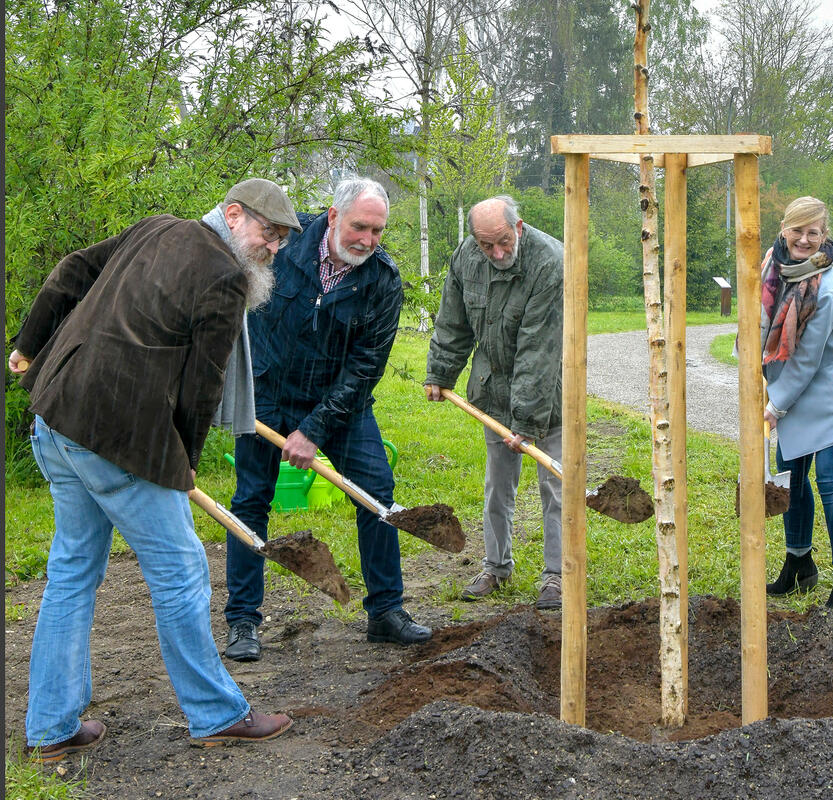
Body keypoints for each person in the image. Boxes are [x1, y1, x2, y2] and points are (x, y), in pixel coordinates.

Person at [9, 178, 301, 761]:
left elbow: (70, 270)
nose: (272, 249)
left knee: (72, 570)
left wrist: (29, 344)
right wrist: (184, 466)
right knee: (182, 570)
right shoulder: (224, 276)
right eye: (268, 235)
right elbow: (203, 388)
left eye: (282, 241)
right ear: (234, 214)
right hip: (116, 436)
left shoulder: (156, 226)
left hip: (57, 415)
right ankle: (217, 713)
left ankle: (51, 727)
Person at [223, 177, 431, 662]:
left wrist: (314, 429)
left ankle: (386, 612)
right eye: (360, 226)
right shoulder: (283, 248)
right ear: (334, 217)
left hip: (340, 404)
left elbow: (365, 367)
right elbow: (235, 314)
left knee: (377, 493)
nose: (368, 240)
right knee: (250, 501)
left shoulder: (381, 278)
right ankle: (242, 622)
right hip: (267, 395)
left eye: (378, 230)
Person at [424, 195, 564, 610]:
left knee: (554, 486)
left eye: (503, 241)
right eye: (487, 245)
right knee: (497, 485)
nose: (497, 253)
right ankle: (495, 566)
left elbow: (538, 349)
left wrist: (526, 419)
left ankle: (557, 575)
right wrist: (440, 371)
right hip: (492, 391)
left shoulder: (548, 262)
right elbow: (453, 321)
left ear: (518, 227)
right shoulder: (467, 257)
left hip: (550, 394)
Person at [760, 196, 833, 615]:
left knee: (830, 480)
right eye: (797, 230)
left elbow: (808, 358)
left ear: (824, 235)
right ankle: (799, 562)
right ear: (784, 228)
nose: (804, 240)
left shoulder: (827, 286)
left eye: (814, 232)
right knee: (791, 475)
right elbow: (760, 318)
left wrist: (775, 405)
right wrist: (753, 368)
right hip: (797, 390)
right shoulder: (773, 263)